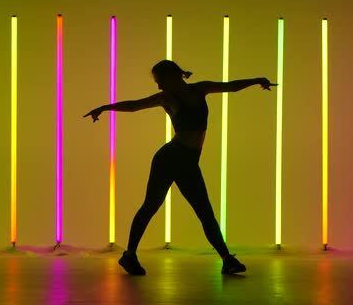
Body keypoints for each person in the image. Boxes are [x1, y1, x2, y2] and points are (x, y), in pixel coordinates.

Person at [84, 60, 277, 275]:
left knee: (203, 211)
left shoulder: (200, 88)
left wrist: (256, 80)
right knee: (152, 206)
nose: (159, 87)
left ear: (173, 76)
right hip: (169, 159)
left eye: (160, 81)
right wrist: (105, 108)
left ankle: (226, 259)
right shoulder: (166, 98)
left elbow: (229, 86)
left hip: (187, 161)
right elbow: (135, 105)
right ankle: (130, 255)